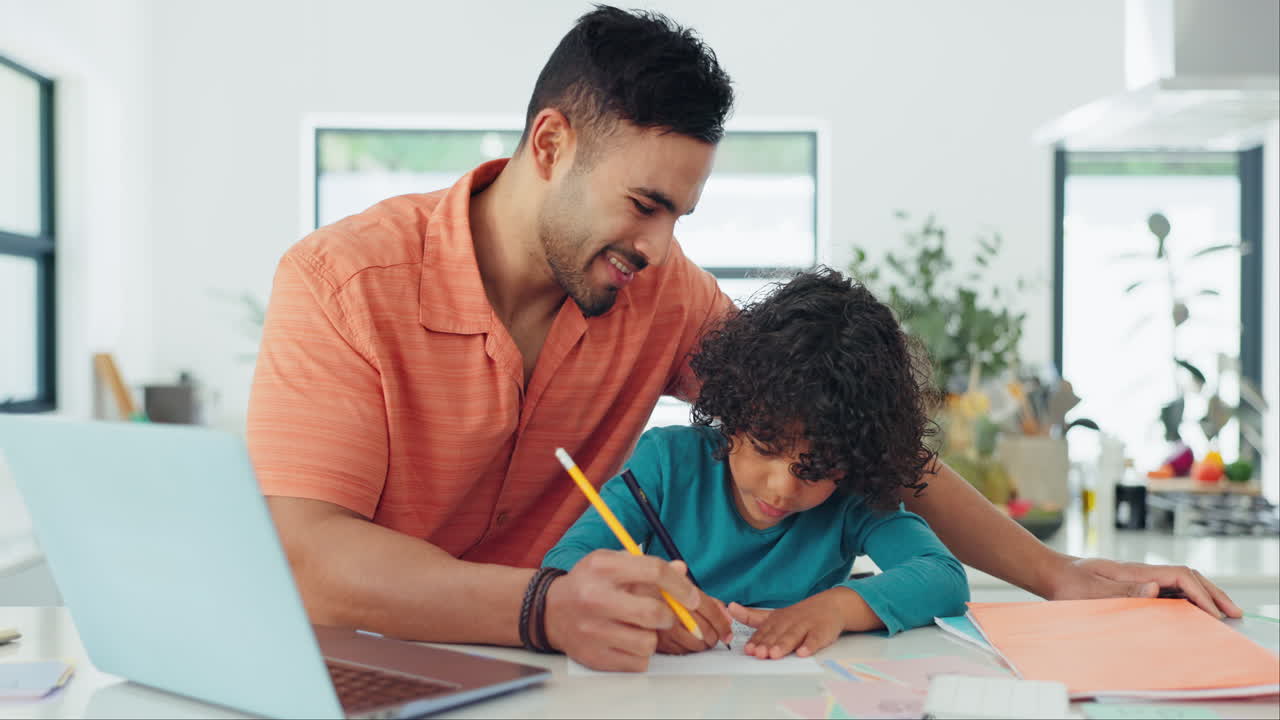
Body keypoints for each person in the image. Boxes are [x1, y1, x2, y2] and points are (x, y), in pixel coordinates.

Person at [247, 5, 1240, 673]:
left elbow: (852, 434)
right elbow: (308, 561)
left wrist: (1054, 574)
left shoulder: (657, 291)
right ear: (548, 146)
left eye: (679, 213)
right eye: (643, 204)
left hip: (540, 678)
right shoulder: (342, 283)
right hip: (361, 667)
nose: (660, 246)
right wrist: (544, 605)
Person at [544, 269, 969, 659]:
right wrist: (638, 602)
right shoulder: (666, 465)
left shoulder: (851, 499)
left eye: (817, 466)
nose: (783, 487)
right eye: (766, 446)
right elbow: (564, 563)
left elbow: (944, 577)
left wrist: (837, 608)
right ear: (732, 414)